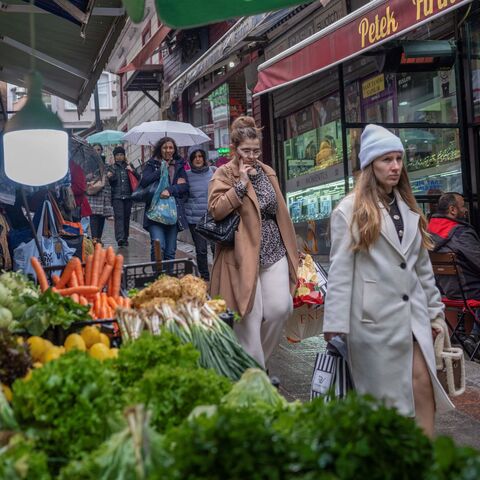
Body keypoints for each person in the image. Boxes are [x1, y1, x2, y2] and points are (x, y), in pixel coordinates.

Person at [323, 124, 454, 438]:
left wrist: (436, 313)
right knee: (384, 406)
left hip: (413, 318)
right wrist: (335, 323)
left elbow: (422, 267)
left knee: (423, 387)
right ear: (371, 164)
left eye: (398, 159)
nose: (395, 166)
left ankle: (425, 459)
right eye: (387, 160)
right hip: (373, 324)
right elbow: (340, 271)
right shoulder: (349, 211)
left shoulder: (409, 207)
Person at [208, 116, 299, 370]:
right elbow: (215, 209)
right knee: (249, 316)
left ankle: (255, 363)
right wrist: (240, 186)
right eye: (246, 151)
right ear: (234, 149)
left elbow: (279, 211)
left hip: (273, 250)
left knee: (281, 308)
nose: (251, 156)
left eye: (255, 150)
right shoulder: (223, 173)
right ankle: (255, 373)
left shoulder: (268, 171)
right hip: (241, 255)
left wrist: (294, 248)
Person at [428, 192, 480, 357]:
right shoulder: (460, 233)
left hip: (444, 291)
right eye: (462, 205)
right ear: (452, 210)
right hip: (467, 291)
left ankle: (470, 337)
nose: (465, 210)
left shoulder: (430, 232)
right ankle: (474, 336)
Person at [138, 137, 188, 261]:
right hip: (154, 213)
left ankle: (169, 279)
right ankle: (157, 279)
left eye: (171, 147)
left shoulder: (179, 165)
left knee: (170, 251)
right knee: (158, 247)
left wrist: (170, 190)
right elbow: (144, 182)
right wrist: (160, 170)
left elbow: (185, 186)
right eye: (165, 147)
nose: (168, 150)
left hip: (173, 214)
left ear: (174, 149)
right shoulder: (152, 164)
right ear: (160, 149)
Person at [185, 145, 215, 280]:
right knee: (201, 250)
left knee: (216, 248)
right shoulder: (186, 176)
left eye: (200, 156)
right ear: (191, 160)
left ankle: (218, 274)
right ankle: (205, 276)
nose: (198, 159)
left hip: (213, 217)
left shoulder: (214, 172)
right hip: (194, 219)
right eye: (195, 157)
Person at [108, 146, 138, 247]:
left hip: (128, 196)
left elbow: (139, 178)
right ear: (114, 156)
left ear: (124, 156)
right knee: (119, 217)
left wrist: (132, 170)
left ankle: (125, 237)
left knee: (126, 217)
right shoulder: (112, 167)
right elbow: (111, 183)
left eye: (121, 155)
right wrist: (111, 176)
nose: (119, 157)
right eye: (117, 155)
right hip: (117, 197)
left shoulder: (129, 166)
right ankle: (120, 238)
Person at [87, 146, 113, 244]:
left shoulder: (105, 164)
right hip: (94, 192)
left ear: (101, 151)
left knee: (102, 216)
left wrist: (111, 172)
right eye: (95, 149)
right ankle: (94, 238)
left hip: (104, 193)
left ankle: (99, 238)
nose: (97, 151)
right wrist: (89, 176)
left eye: (99, 149)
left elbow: (111, 175)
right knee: (93, 216)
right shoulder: (88, 164)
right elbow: (85, 176)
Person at [69, 158, 92, 234]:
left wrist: (66, 190)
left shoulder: (75, 167)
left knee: (80, 235)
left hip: (77, 207)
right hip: (69, 208)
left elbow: (80, 188)